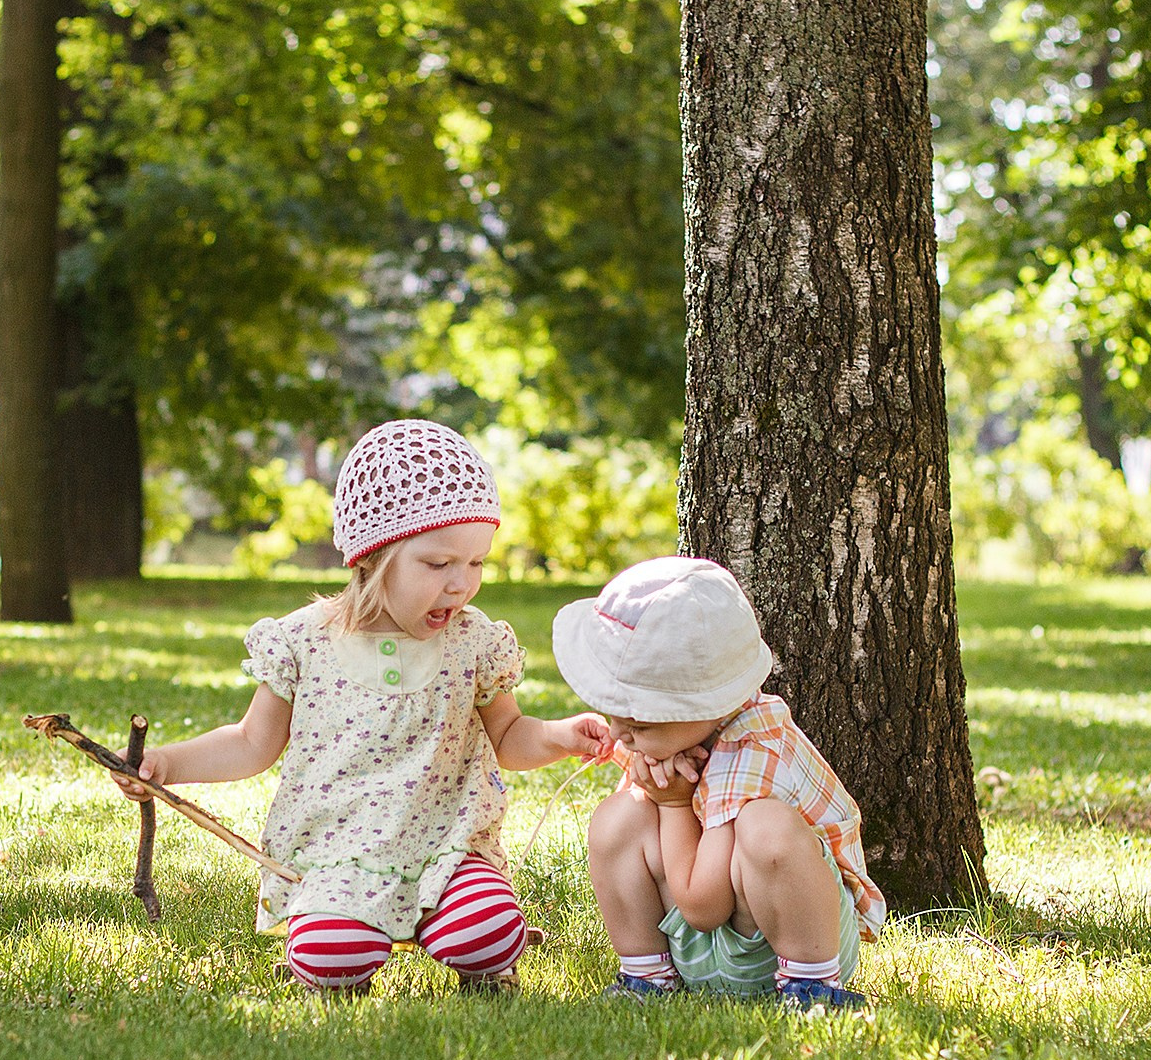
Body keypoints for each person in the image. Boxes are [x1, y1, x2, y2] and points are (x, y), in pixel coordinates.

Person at [117, 420, 609, 994]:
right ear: (373, 556)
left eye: (476, 563)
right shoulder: (305, 643)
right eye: (438, 564)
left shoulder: (473, 643)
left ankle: (459, 932)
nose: (461, 585)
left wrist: (560, 735)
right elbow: (252, 742)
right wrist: (167, 766)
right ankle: (339, 936)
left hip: (445, 846)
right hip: (340, 855)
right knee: (334, 960)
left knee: (489, 936)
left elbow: (511, 736)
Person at [552, 557, 885, 1011]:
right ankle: (646, 975)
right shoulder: (675, 733)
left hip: (781, 943)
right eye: (615, 715)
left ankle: (813, 990)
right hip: (698, 950)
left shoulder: (751, 750)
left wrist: (672, 805)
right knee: (618, 816)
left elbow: (703, 907)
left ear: (700, 706)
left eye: (638, 723)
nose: (618, 735)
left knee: (765, 826)